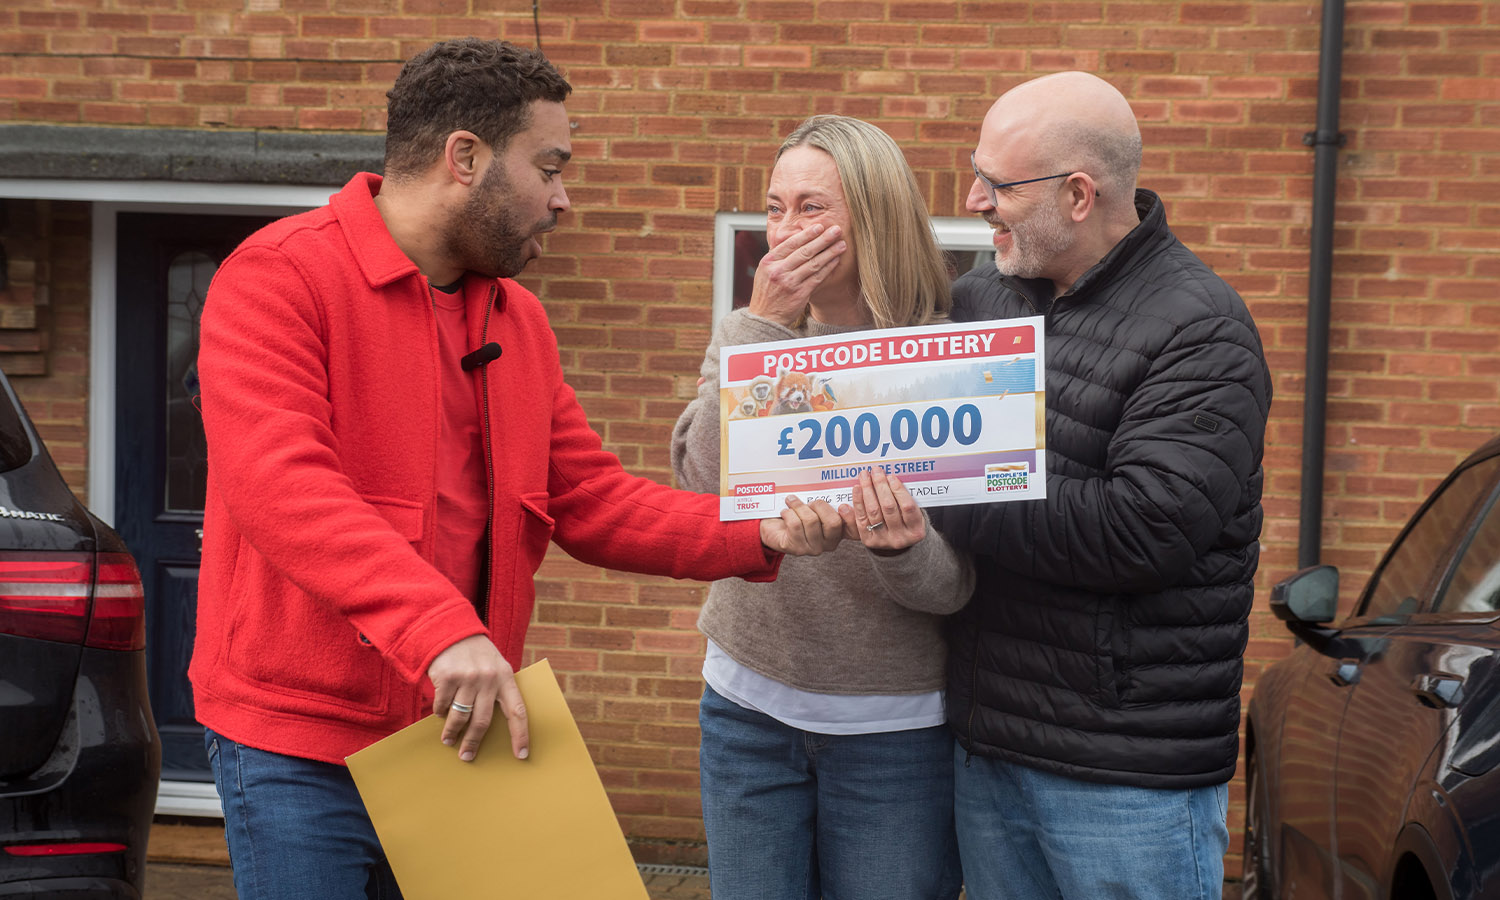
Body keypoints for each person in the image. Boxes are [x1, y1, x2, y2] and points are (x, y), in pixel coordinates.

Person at [190, 39, 847, 900]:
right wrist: (444, 630)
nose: (562, 199)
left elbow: (589, 498)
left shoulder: (519, 322)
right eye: (549, 167)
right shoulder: (279, 278)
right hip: (303, 742)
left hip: (461, 727)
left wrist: (757, 528)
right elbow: (287, 488)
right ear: (465, 158)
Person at [930, 71, 1273, 900]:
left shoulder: (1200, 330)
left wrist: (939, 478)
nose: (974, 198)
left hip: (1124, 776)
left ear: (1079, 195)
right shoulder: (982, 300)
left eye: (998, 184)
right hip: (990, 748)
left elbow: (1141, 528)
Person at [671, 114, 974, 900]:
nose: (784, 230)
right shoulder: (750, 333)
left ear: (872, 217)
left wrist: (901, 549)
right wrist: (762, 328)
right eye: (774, 208)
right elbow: (705, 493)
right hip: (747, 710)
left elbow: (956, 588)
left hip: (894, 733)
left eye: (812, 208)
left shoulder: (949, 357)